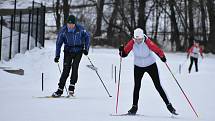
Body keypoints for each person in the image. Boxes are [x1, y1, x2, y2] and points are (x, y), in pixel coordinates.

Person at [119, 28, 177, 115]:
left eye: (140, 39)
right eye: (136, 39)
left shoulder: (148, 42)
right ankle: (134, 107)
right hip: (138, 66)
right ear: (134, 38)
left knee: (158, 85)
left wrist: (162, 57)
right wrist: (121, 51)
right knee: (137, 86)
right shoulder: (132, 42)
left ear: (143, 37)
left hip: (151, 65)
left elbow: (157, 50)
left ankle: (169, 106)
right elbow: (124, 54)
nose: (138, 41)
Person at [52, 15, 90, 97]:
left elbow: (87, 37)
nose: (70, 26)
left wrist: (86, 49)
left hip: (78, 50)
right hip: (68, 51)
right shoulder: (63, 31)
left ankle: (72, 87)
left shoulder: (80, 29)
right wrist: (57, 56)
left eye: (72, 24)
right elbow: (58, 44)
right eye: (69, 24)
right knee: (66, 69)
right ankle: (60, 89)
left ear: (75, 24)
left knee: (75, 66)